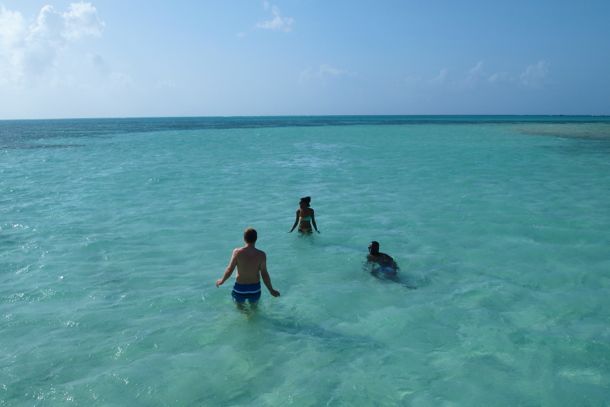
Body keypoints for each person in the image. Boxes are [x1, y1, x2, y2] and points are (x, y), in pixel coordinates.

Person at [216, 228, 280, 307]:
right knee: (254, 308)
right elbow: (264, 274)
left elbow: (230, 270)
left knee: (240, 308)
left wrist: (222, 281)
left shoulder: (237, 252)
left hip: (240, 288)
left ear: (244, 238)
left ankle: (246, 314)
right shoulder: (261, 255)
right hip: (255, 289)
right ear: (256, 239)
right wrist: (271, 290)